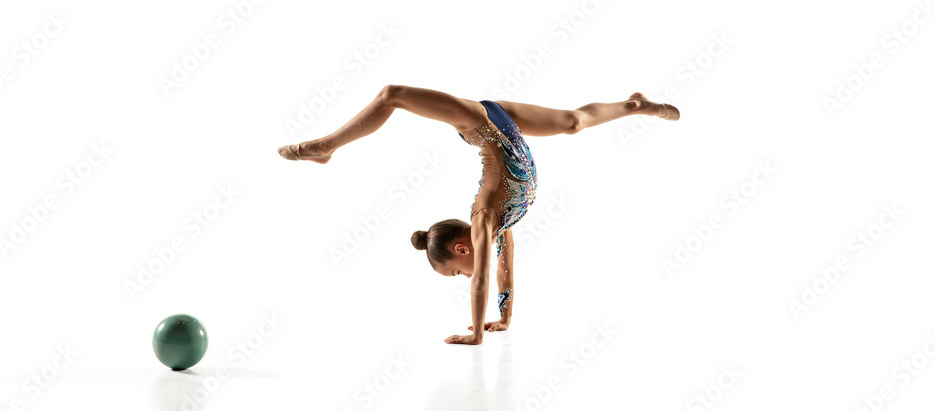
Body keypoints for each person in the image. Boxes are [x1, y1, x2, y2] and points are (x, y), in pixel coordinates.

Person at [277, 85, 679, 345]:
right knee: (574, 122)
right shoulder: (500, 227)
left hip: (483, 127)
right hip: (506, 126)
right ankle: (636, 105)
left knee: (392, 95)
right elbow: (507, 267)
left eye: (453, 271)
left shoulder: (485, 219)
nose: (462, 277)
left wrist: (476, 335)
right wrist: (504, 318)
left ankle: (323, 146)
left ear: (461, 247)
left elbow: (484, 276)